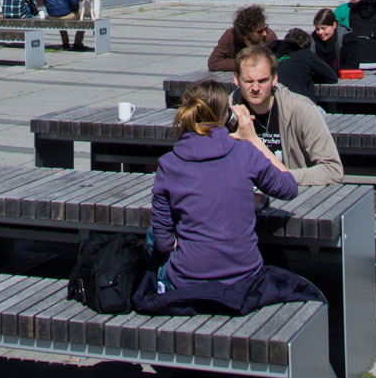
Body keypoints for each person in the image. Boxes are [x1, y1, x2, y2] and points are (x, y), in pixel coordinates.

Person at [132, 77, 323, 317]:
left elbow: (162, 242)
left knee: (153, 235)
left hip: (188, 281)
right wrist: (252, 138)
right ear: (226, 116)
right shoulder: (244, 153)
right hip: (244, 277)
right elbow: (288, 188)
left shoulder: (169, 164)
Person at [228, 44, 344, 185]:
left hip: (294, 195)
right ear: (236, 79)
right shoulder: (227, 110)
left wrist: (284, 178)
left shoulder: (301, 109)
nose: (256, 88)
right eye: (249, 81)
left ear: (274, 78)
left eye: (263, 81)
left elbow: (333, 170)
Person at [273, 26, 340, 103]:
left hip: (277, 104)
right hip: (301, 106)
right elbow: (332, 77)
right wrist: (309, 76)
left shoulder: (275, 56)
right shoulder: (306, 54)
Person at [206, 2, 278, 72]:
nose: (264, 33)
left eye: (265, 28)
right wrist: (245, 63)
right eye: (259, 31)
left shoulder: (269, 36)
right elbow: (213, 63)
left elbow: (278, 61)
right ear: (246, 33)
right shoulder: (230, 35)